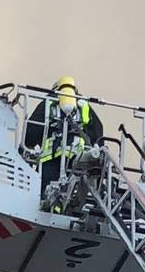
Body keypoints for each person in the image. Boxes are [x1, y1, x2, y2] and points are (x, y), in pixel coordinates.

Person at [24, 76, 102, 210]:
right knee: (78, 188)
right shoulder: (84, 104)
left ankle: (52, 207)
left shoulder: (48, 102)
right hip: (77, 159)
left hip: (50, 158)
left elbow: (30, 133)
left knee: (45, 193)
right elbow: (97, 132)